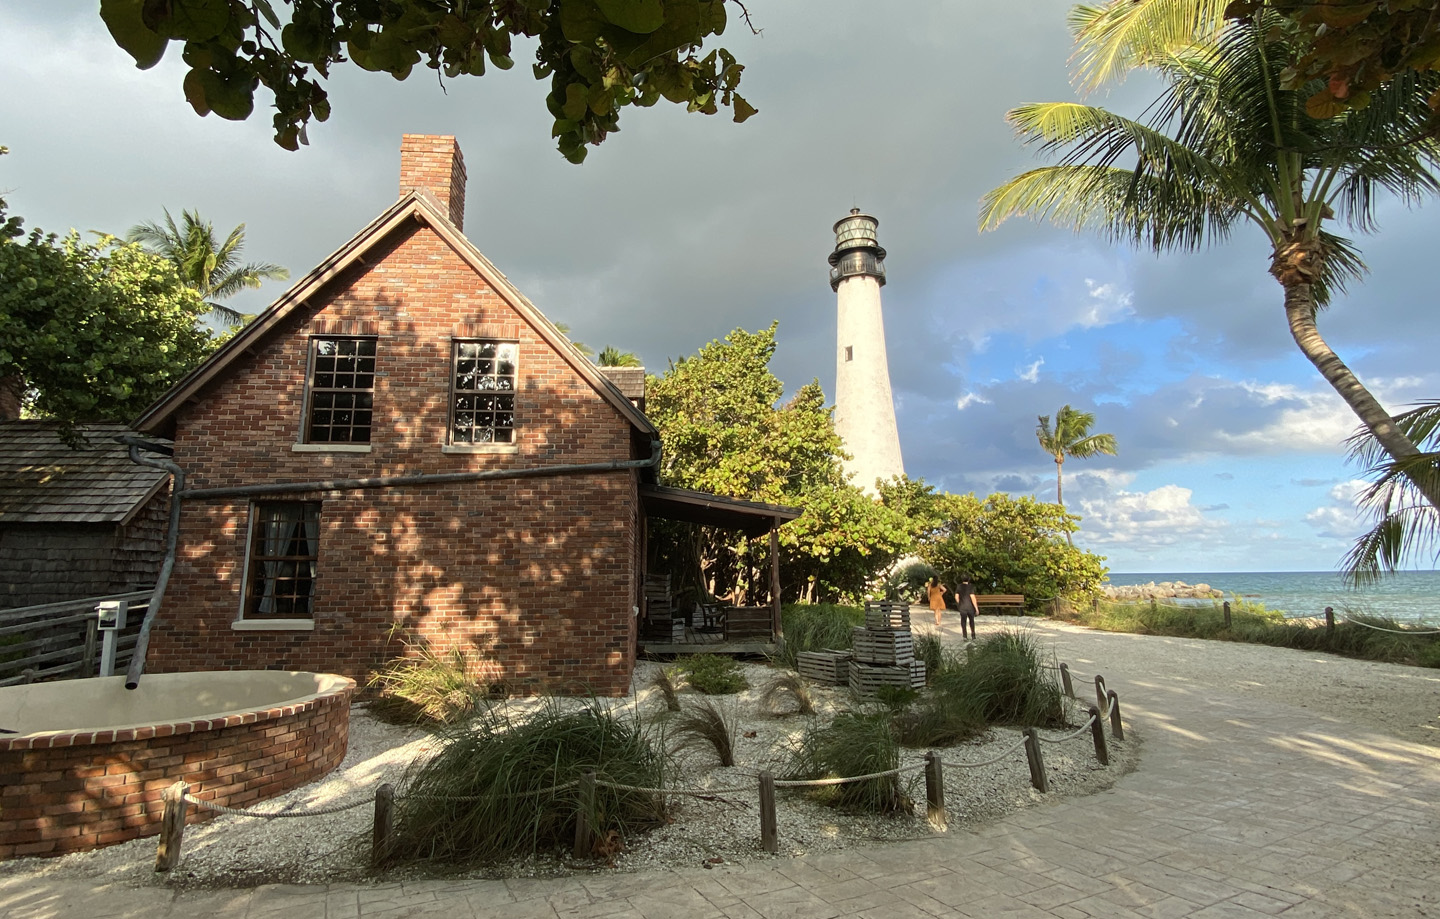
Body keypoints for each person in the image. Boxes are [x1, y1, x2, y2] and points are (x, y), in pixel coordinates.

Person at [956, 575, 979, 640]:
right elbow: (973, 598)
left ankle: (964, 636)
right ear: (968, 579)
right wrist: (976, 608)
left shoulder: (959, 586)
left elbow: (956, 597)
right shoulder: (970, 587)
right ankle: (973, 635)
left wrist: (959, 603)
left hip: (962, 607)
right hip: (970, 607)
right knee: (971, 621)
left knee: (963, 621)